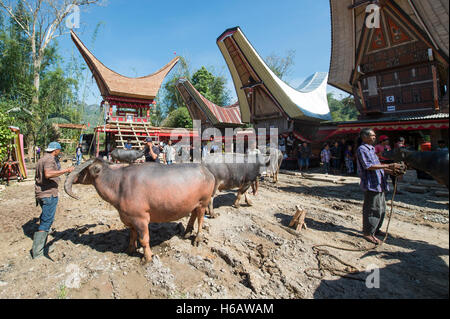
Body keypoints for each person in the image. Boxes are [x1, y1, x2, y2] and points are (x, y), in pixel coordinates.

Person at [356, 128, 401, 244]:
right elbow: (368, 166)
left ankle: (376, 229)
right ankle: (368, 232)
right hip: (370, 183)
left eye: (375, 136)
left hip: (379, 182)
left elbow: (377, 164)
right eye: (372, 135)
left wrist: (389, 170)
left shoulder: (371, 149)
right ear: (364, 137)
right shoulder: (362, 149)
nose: (374, 137)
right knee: (372, 209)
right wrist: (389, 165)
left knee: (381, 208)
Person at [33, 142, 75, 259]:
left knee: (44, 218)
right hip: (48, 194)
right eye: (59, 150)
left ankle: (42, 246)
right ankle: (38, 252)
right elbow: (48, 174)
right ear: (55, 150)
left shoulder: (42, 159)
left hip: (41, 193)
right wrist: (66, 170)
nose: (59, 152)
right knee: (47, 221)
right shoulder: (50, 159)